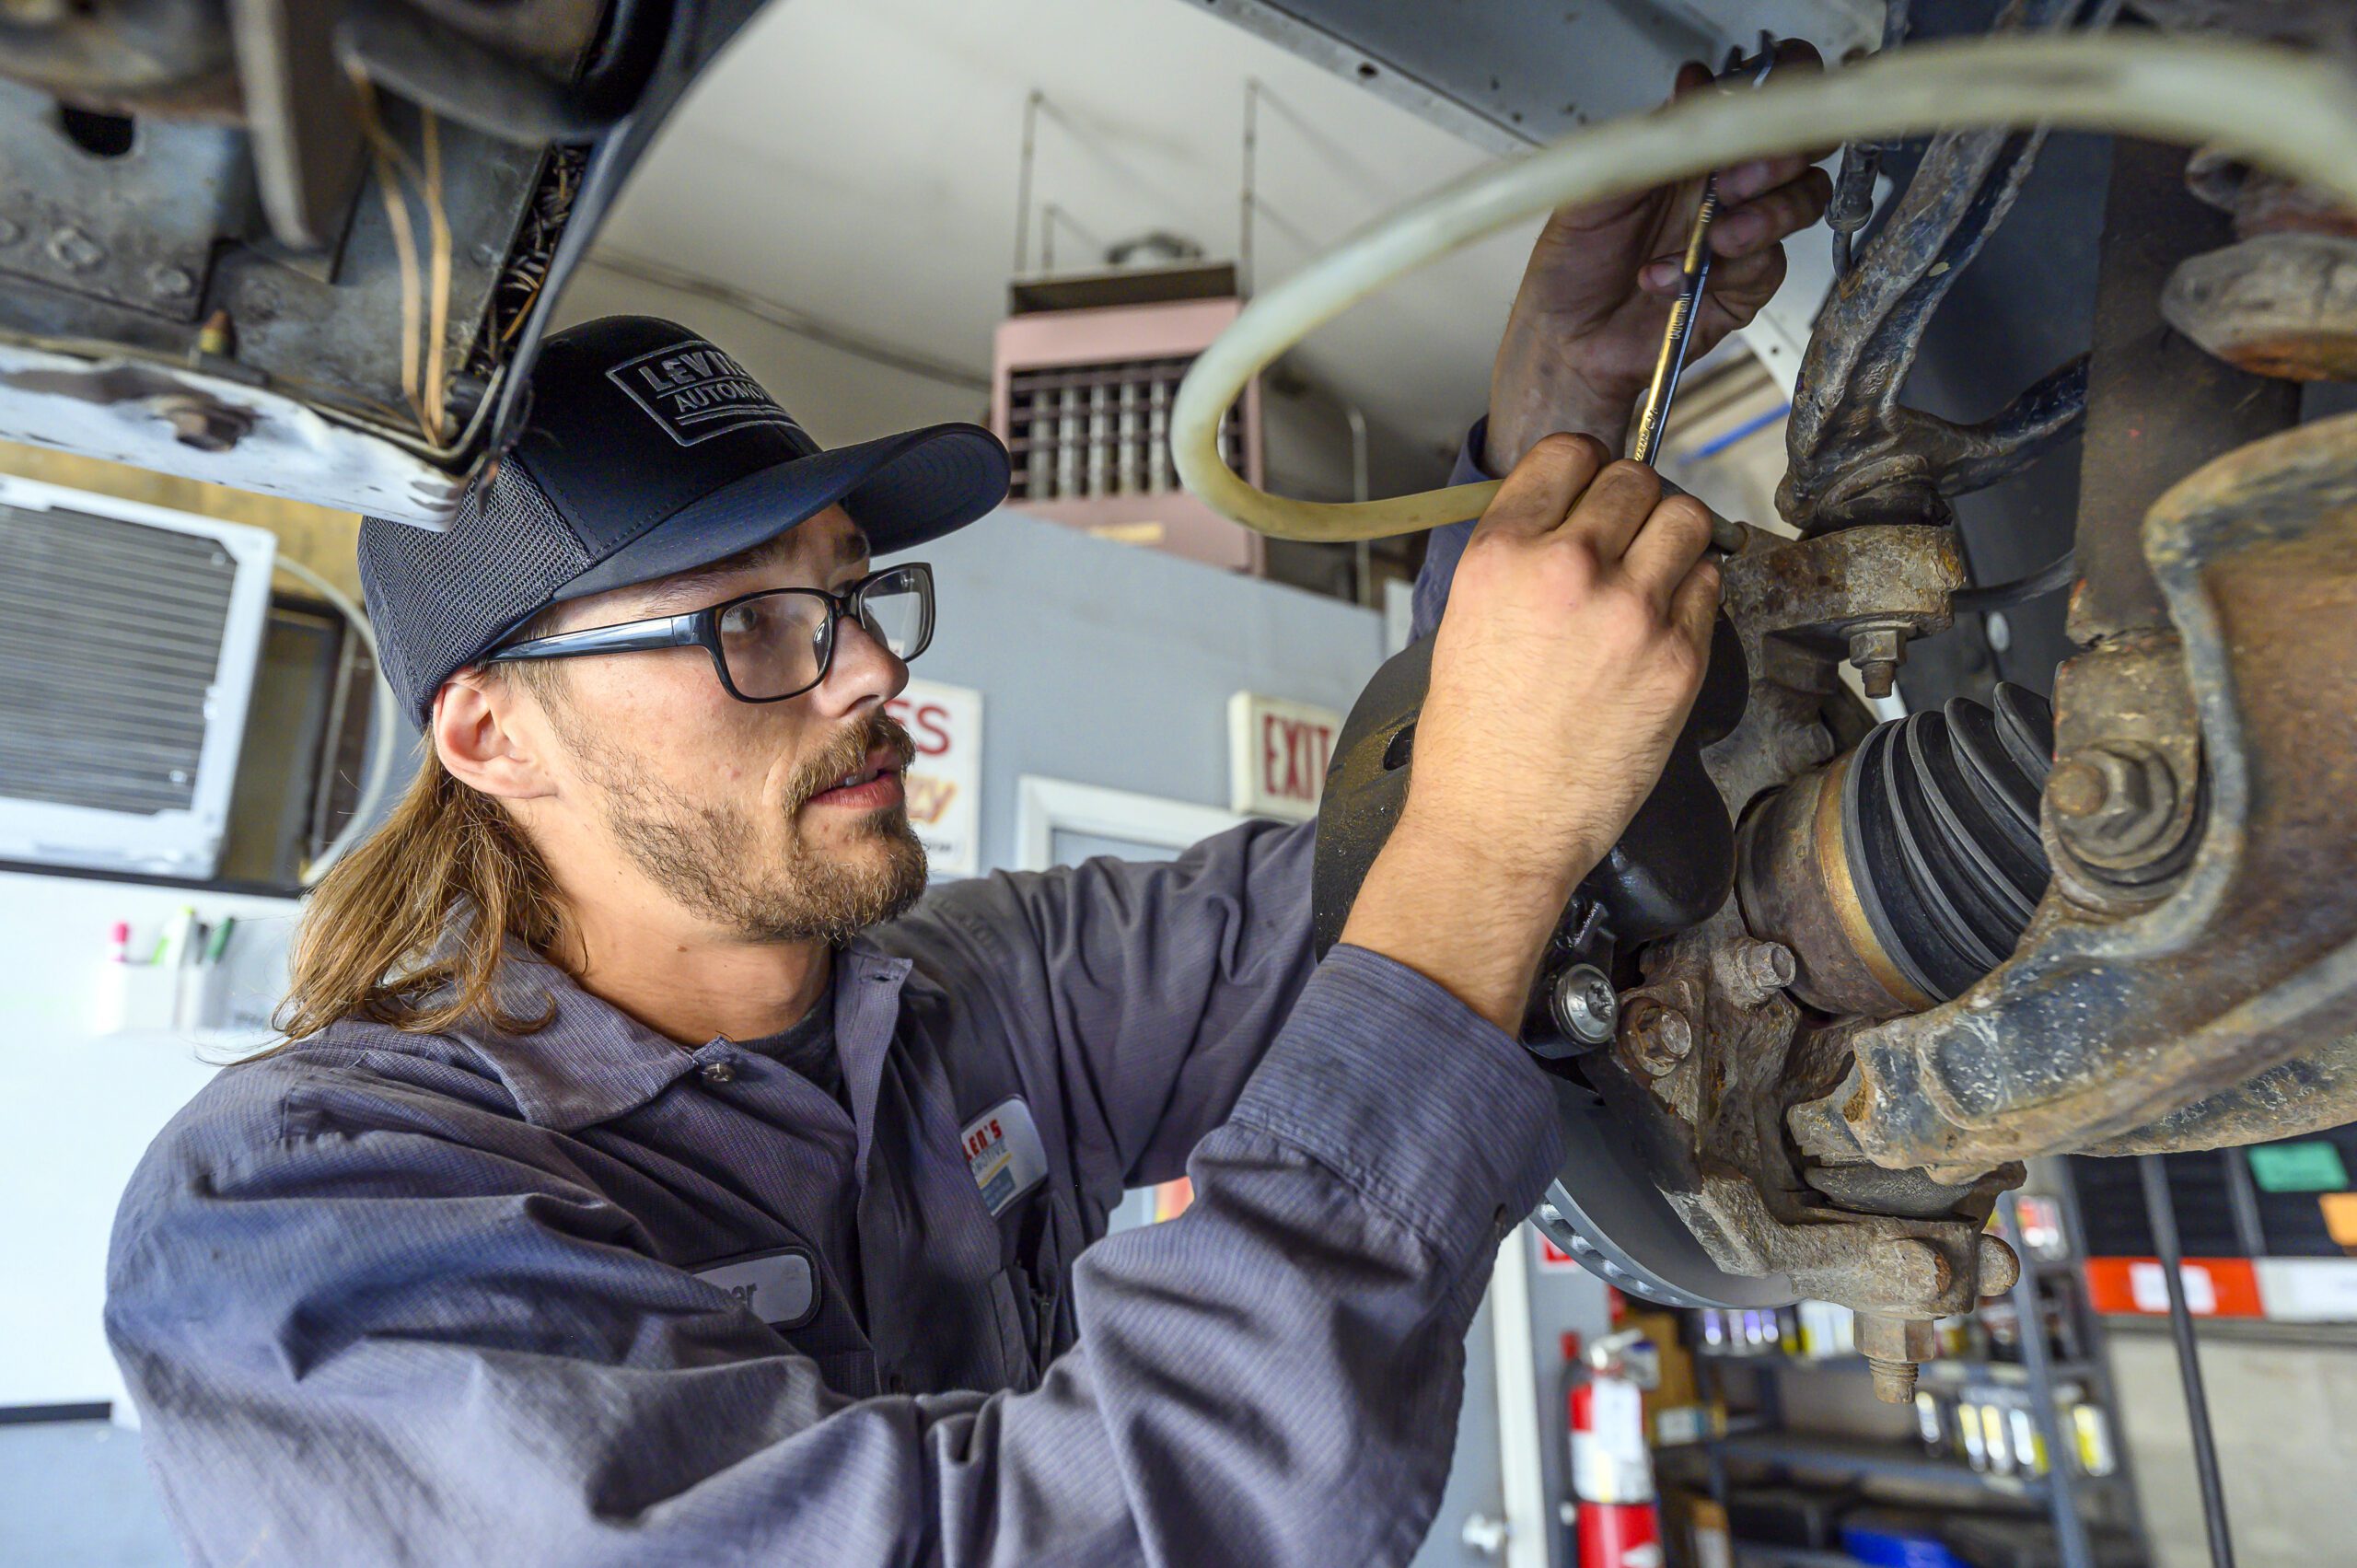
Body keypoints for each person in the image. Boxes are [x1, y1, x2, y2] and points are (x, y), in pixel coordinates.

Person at [105, 62, 1829, 1566]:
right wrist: (1487, 851)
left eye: (852, 594)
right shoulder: (303, 1220)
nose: (864, 671)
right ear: (490, 733)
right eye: (748, 623)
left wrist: (1562, 416)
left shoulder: (962, 992)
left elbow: (1361, 894)